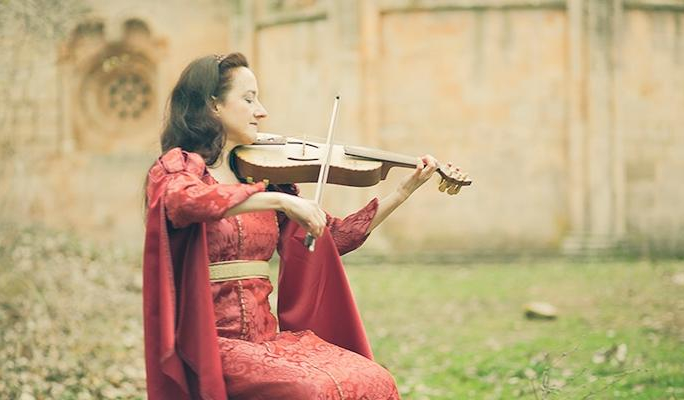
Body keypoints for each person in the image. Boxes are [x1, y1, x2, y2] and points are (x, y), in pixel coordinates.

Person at [143, 53, 455, 399]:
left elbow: (332, 236)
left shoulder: (261, 177)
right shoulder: (180, 168)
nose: (262, 111)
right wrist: (280, 201)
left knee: (376, 379)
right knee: (312, 390)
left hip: (267, 341)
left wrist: (402, 192)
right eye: (249, 99)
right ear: (213, 104)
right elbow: (186, 201)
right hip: (210, 344)